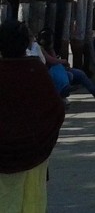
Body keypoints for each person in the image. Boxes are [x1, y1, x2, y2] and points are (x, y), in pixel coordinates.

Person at [0, 19, 66, 212]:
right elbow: (56, 111)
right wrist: (41, 143)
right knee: (32, 202)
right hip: (35, 158)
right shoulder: (36, 70)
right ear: (26, 43)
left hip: (3, 160)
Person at [37, 28, 95, 103]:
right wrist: (63, 61)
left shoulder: (49, 49)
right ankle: (63, 94)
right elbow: (51, 60)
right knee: (70, 75)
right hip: (51, 73)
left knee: (80, 74)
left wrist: (51, 49)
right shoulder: (39, 48)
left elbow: (54, 59)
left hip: (59, 70)